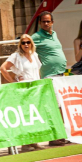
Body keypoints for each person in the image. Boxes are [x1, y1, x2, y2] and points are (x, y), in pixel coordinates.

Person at [0, 34, 45, 152]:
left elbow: (37, 71)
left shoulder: (34, 55)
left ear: (31, 43)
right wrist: (13, 81)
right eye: (23, 42)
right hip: (24, 89)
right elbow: (3, 68)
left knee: (35, 114)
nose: (26, 45)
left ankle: (34, 141)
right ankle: (25, 143)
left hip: (36, 88)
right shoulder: (16, 56)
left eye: (28, 42)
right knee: (26, 115)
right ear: (20, 44)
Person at [32, 11, 67, 146]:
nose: (46, 23)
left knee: (62, 106)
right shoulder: (36, 36)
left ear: (52, 22)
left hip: (61, 75)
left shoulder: (55, 34)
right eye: (43, 21)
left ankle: (62, 133)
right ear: (40, 23)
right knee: (56, 106)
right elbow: (24, 45)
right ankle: (55, 136)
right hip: (49, 76)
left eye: (48, 21)